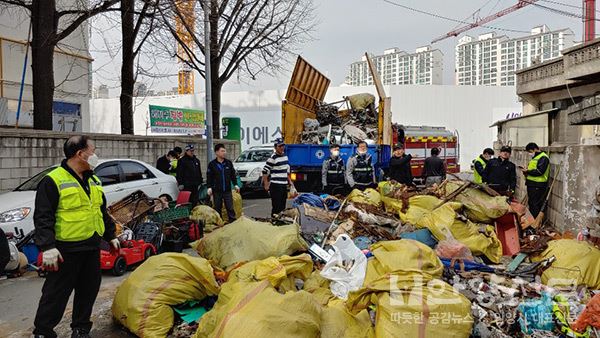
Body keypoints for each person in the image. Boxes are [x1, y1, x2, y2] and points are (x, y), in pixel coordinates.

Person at [32, 135, 118, 338]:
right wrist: (47, 247)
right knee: (55, 294)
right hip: (65, 250)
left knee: (88, 291)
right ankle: (43, 332)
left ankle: (80, 329)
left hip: (91, 246)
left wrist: (111, 235)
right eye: (93, 150)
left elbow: (100, 211)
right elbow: (43, 216)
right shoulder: (53, 180)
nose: (95, 155)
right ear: (80, 154)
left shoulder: (93, 179)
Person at [262, 138, 295, 217]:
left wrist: (290, 181)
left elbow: (285, 171)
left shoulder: (285, 157)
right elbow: (264, 171)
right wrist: (266, 184)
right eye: (280, 146)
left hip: (283, 185)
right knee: (276, 207)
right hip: (276, 185)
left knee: (282, 207)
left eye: (283, 146)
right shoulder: (272, 158)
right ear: (275, 147)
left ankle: (280, 222)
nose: (282, 148)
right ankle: (274, 222)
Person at [207, 144, 239, 222]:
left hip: (227, 190)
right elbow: (209, 177)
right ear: (217, 152)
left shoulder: (228, 163)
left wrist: (235, 184)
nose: (224, 152)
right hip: (217, 190)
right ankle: (219, 223)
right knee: (217, 208)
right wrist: (209, 187)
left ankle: (233, 222)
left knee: (230, 207)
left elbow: (232, 175)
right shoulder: (212, 164)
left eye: (225, 151)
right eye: (222, 151)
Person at [519, 142, 550, 218]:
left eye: (530, 152)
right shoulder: (536, 157)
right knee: (532, 203)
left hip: (538, 185)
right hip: (532, 184)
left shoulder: (543, 158)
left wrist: (528, 171)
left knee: (535, 204)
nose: (530, 154)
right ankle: (532, 221)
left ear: (535, 149)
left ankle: (535, 222)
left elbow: (540, 171)